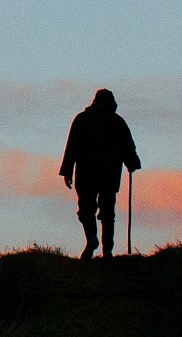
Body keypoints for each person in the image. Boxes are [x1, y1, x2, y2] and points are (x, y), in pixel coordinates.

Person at [59, 88, 140, 259]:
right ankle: (108, 251)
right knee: (107, 212)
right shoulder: (118, 122)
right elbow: (128, 146)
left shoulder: (82, 120)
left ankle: (91, 238)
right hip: (109, 176)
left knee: (86, 210)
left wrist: (67, 171)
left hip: (86, 175)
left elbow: (72, 146)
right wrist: (132, 163)